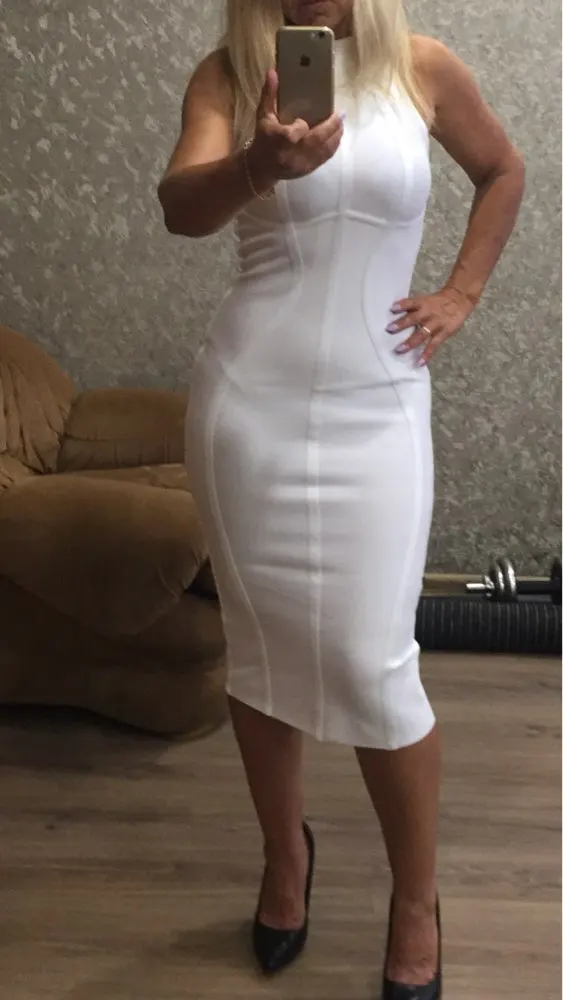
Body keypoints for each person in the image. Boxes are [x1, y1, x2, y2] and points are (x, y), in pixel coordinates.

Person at [158, 1, 524, 996]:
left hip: (378, 409)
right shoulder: (228, 75)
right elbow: (179, 207)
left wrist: (460, 293)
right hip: (248, 409)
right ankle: (285, 855)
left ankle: (415, 900)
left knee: (374, 665)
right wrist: (256, 167)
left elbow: (503, 169)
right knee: (259, 649)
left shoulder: (422, 68)